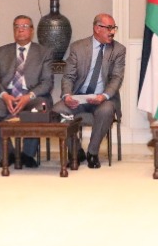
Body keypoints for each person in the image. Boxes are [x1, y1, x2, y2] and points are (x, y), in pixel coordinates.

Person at [0, 15, 54, 167]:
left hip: (33, 97)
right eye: (17, 26)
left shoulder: (44, 52)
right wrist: (4, 96)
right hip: (6, 97)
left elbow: (47, 83)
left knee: (39, 109)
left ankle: (27, 155)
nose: (20, 29)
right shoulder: (1, 52)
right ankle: (7, 153)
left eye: (25, 26)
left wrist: (28, 97)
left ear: (32, 30)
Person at [54, 13, 126, 169]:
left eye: (114, 28)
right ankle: (76, 151)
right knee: (58, 109)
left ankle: (92, 153)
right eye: (109, 28)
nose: (112, 32)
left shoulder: (118, 50)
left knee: (106, 110)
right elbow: (68, 77)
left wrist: (103, 96)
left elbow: (116, 78)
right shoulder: (78, 47)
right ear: (97, 28)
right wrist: (67, 95)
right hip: (79, 97)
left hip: (103, 99)